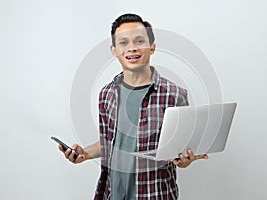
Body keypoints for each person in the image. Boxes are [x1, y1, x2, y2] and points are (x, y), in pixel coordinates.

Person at [59, 13, 208, 200]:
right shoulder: (106, 94)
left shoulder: (176, 95)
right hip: (112, 193)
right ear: (113, 49)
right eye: (123, 43)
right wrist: (84, 154)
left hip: (155, 194)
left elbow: (180, 150)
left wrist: (185, 161)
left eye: (139, 41)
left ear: (152, 47)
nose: (131, 48)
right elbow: (112, 142)